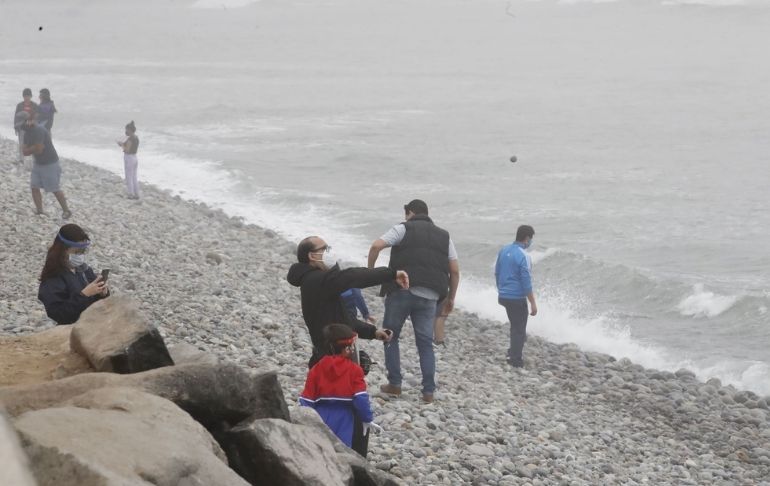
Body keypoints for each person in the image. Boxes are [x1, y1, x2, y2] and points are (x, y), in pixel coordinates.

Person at [368, 199, 460, 404]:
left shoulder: (403, 228)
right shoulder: (445, 237)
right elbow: (454, 270)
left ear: (409, 213)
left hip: (402, 290)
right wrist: (451, 298)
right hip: (430, 295)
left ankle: (395, 384)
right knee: (425, 343)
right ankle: (428, 392)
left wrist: (371, 272)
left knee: (390, 336)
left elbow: (376, 246)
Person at [299, 324, 375, 456]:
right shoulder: (355, 370)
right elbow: (360, 398)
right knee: (342, 454)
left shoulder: (316, 368)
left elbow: (306, 400)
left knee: (320, 452)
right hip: (344, 418)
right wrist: (367, 419)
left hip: (320, 416)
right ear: (347, 348)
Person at [38, 224, 109, 325]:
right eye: (76, 251)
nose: (80, 255)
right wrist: (84, 295)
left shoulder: (83, 269)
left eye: (82, 251)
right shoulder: (53, 277)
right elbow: (59, 314)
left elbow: (97, 303)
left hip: (92, 325)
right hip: (70, 331)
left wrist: (102, 294)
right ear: (63, 249)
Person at [495, 224, 538, 368]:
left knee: (515, 325)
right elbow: (526, 282)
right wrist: (532, 302)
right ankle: (515, 359)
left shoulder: (504, 250)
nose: (530, 242)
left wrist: (500, 289)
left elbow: (497, 272)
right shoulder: (524, 256)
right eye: (531, 239)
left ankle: (512, 351)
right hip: (516, 297)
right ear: (527, 238)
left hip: (504, 295)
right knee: (519, 329)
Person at [19, 111, 72, 219]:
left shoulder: (39, 130)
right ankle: (39, 211)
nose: (22, 126)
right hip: (38, 163)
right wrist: (34, 148)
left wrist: (31, 148)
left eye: (23, 123)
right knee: (34, 186)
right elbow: (25, 151)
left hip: (50, 163)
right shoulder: (27, 133)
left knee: (54, 188)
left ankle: (66, 210)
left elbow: (38, 150)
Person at [13, 88, 38, 163]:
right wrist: (15, 128)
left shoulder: (35, 105)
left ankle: (35, 160)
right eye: (25, 96)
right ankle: (21, 159)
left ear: (31, 96)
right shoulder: (19, 105)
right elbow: (16, 117)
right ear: (23, 97)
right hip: (22, 128)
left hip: (32, 128)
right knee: (21, 144)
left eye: (28, 96)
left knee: (33, 144)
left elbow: (37, 117)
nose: (27, 97)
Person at [117, 120, 140, 199]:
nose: (125, 131)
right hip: (135, 157)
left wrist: (122, 145)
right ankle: (136, 193)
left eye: (126, 129)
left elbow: (127, 150)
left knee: (129, 176)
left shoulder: (130, 139)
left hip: (129, 158)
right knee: (134, 176)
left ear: (130, 130)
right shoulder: (136, 137)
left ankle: (131, 194)